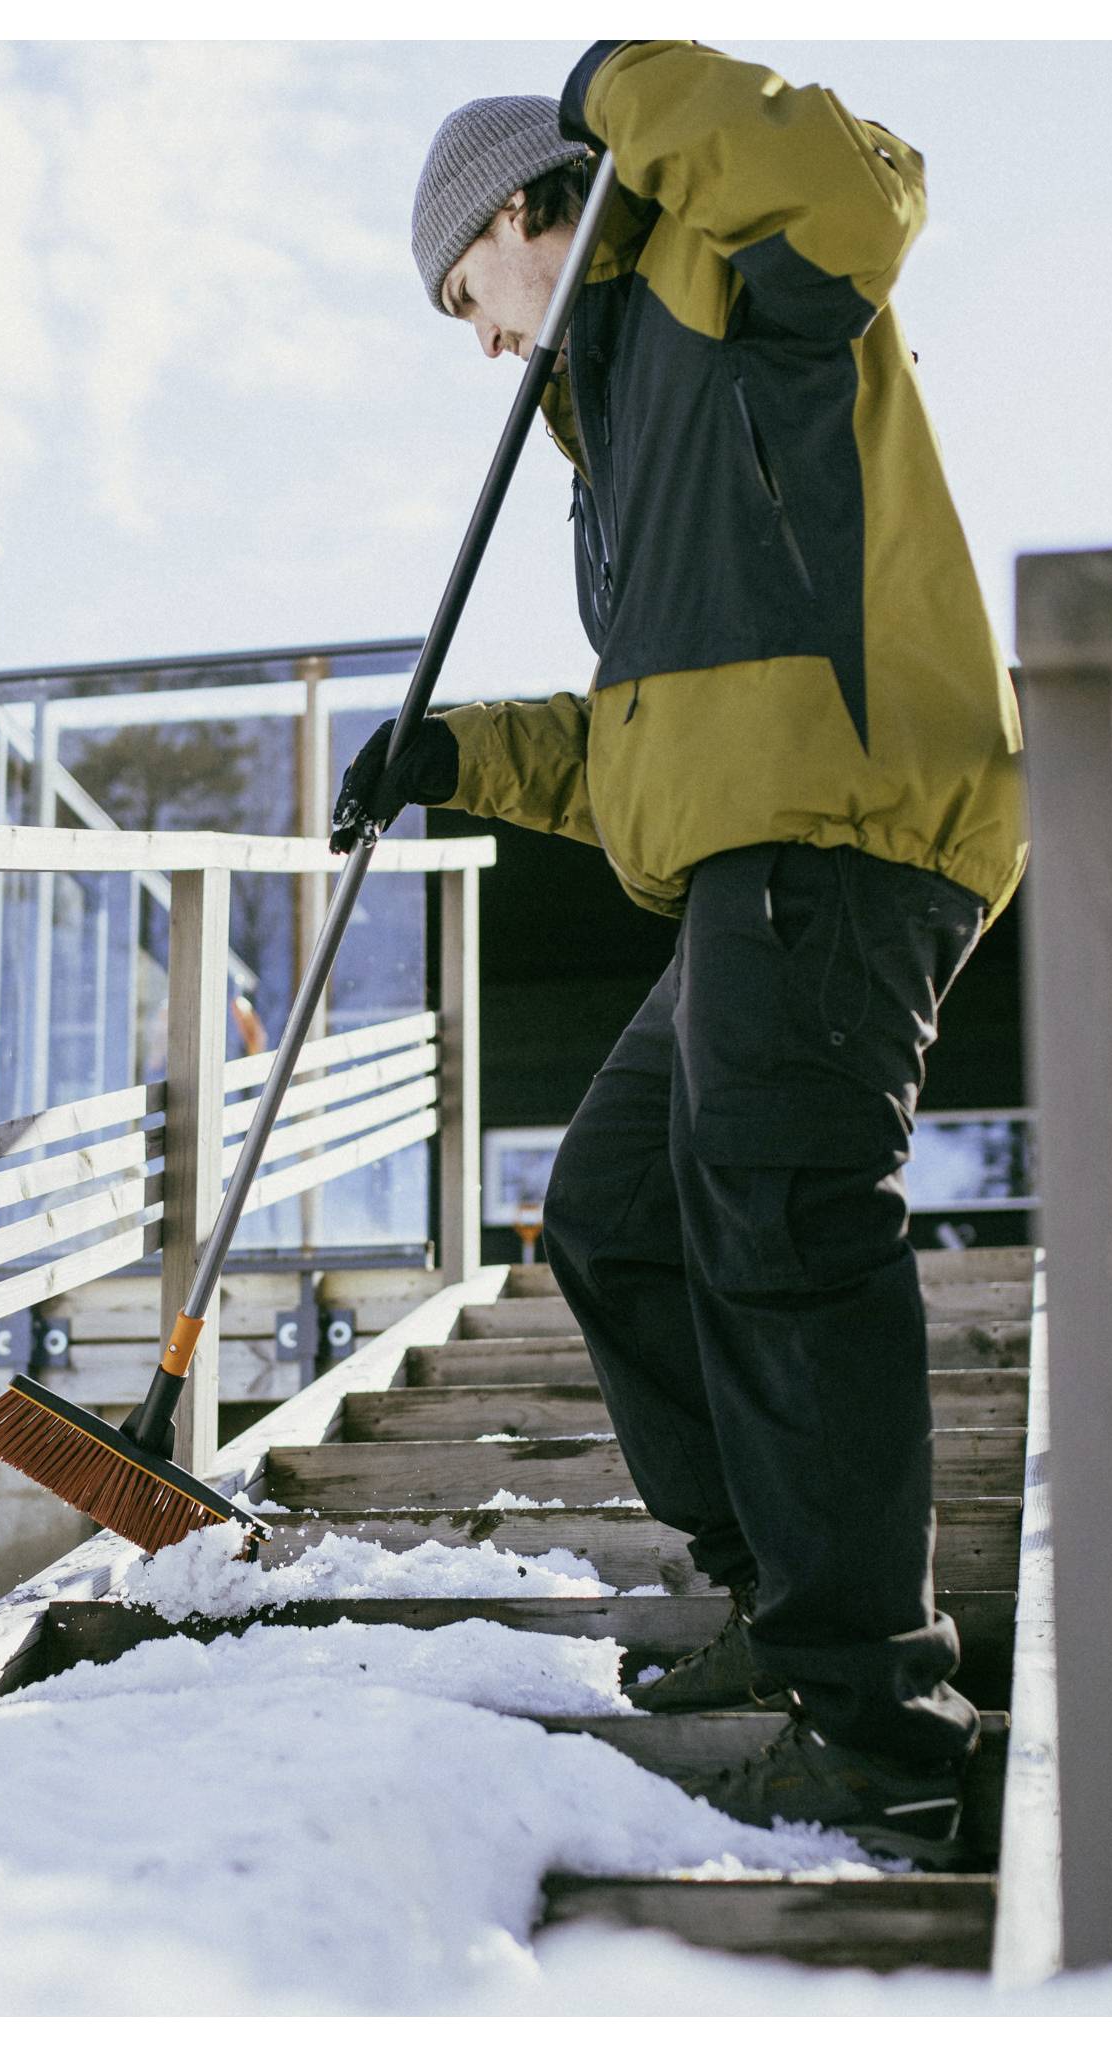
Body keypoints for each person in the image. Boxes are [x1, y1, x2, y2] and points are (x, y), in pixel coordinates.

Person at [333, 41, 1028, 1867]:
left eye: (461, 295)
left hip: (844, 824)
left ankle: (876, 1715)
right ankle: (776, 1590)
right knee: (619, 1211)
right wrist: (453, 757)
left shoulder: (722, 262)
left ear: (511, 217)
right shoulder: (619, 425)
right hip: (744, 844)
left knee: (782, 1213)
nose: (478, 343)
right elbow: (653, 741)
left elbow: (864, 193)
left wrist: (612, 76)